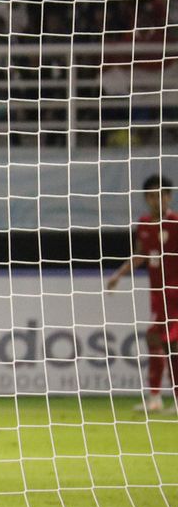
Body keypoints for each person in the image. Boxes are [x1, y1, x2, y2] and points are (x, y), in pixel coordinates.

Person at [108, 174, 178, 413]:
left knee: (166, 343)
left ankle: (163, 398)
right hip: (158, 296)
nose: (156, 200)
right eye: (151, 196)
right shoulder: (145, 224)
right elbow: (140, 254)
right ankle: (157, 398)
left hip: (175, 296)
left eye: (161, 195)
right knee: (158, 342)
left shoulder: (176, 223)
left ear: (169, 196)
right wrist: (119, 274)